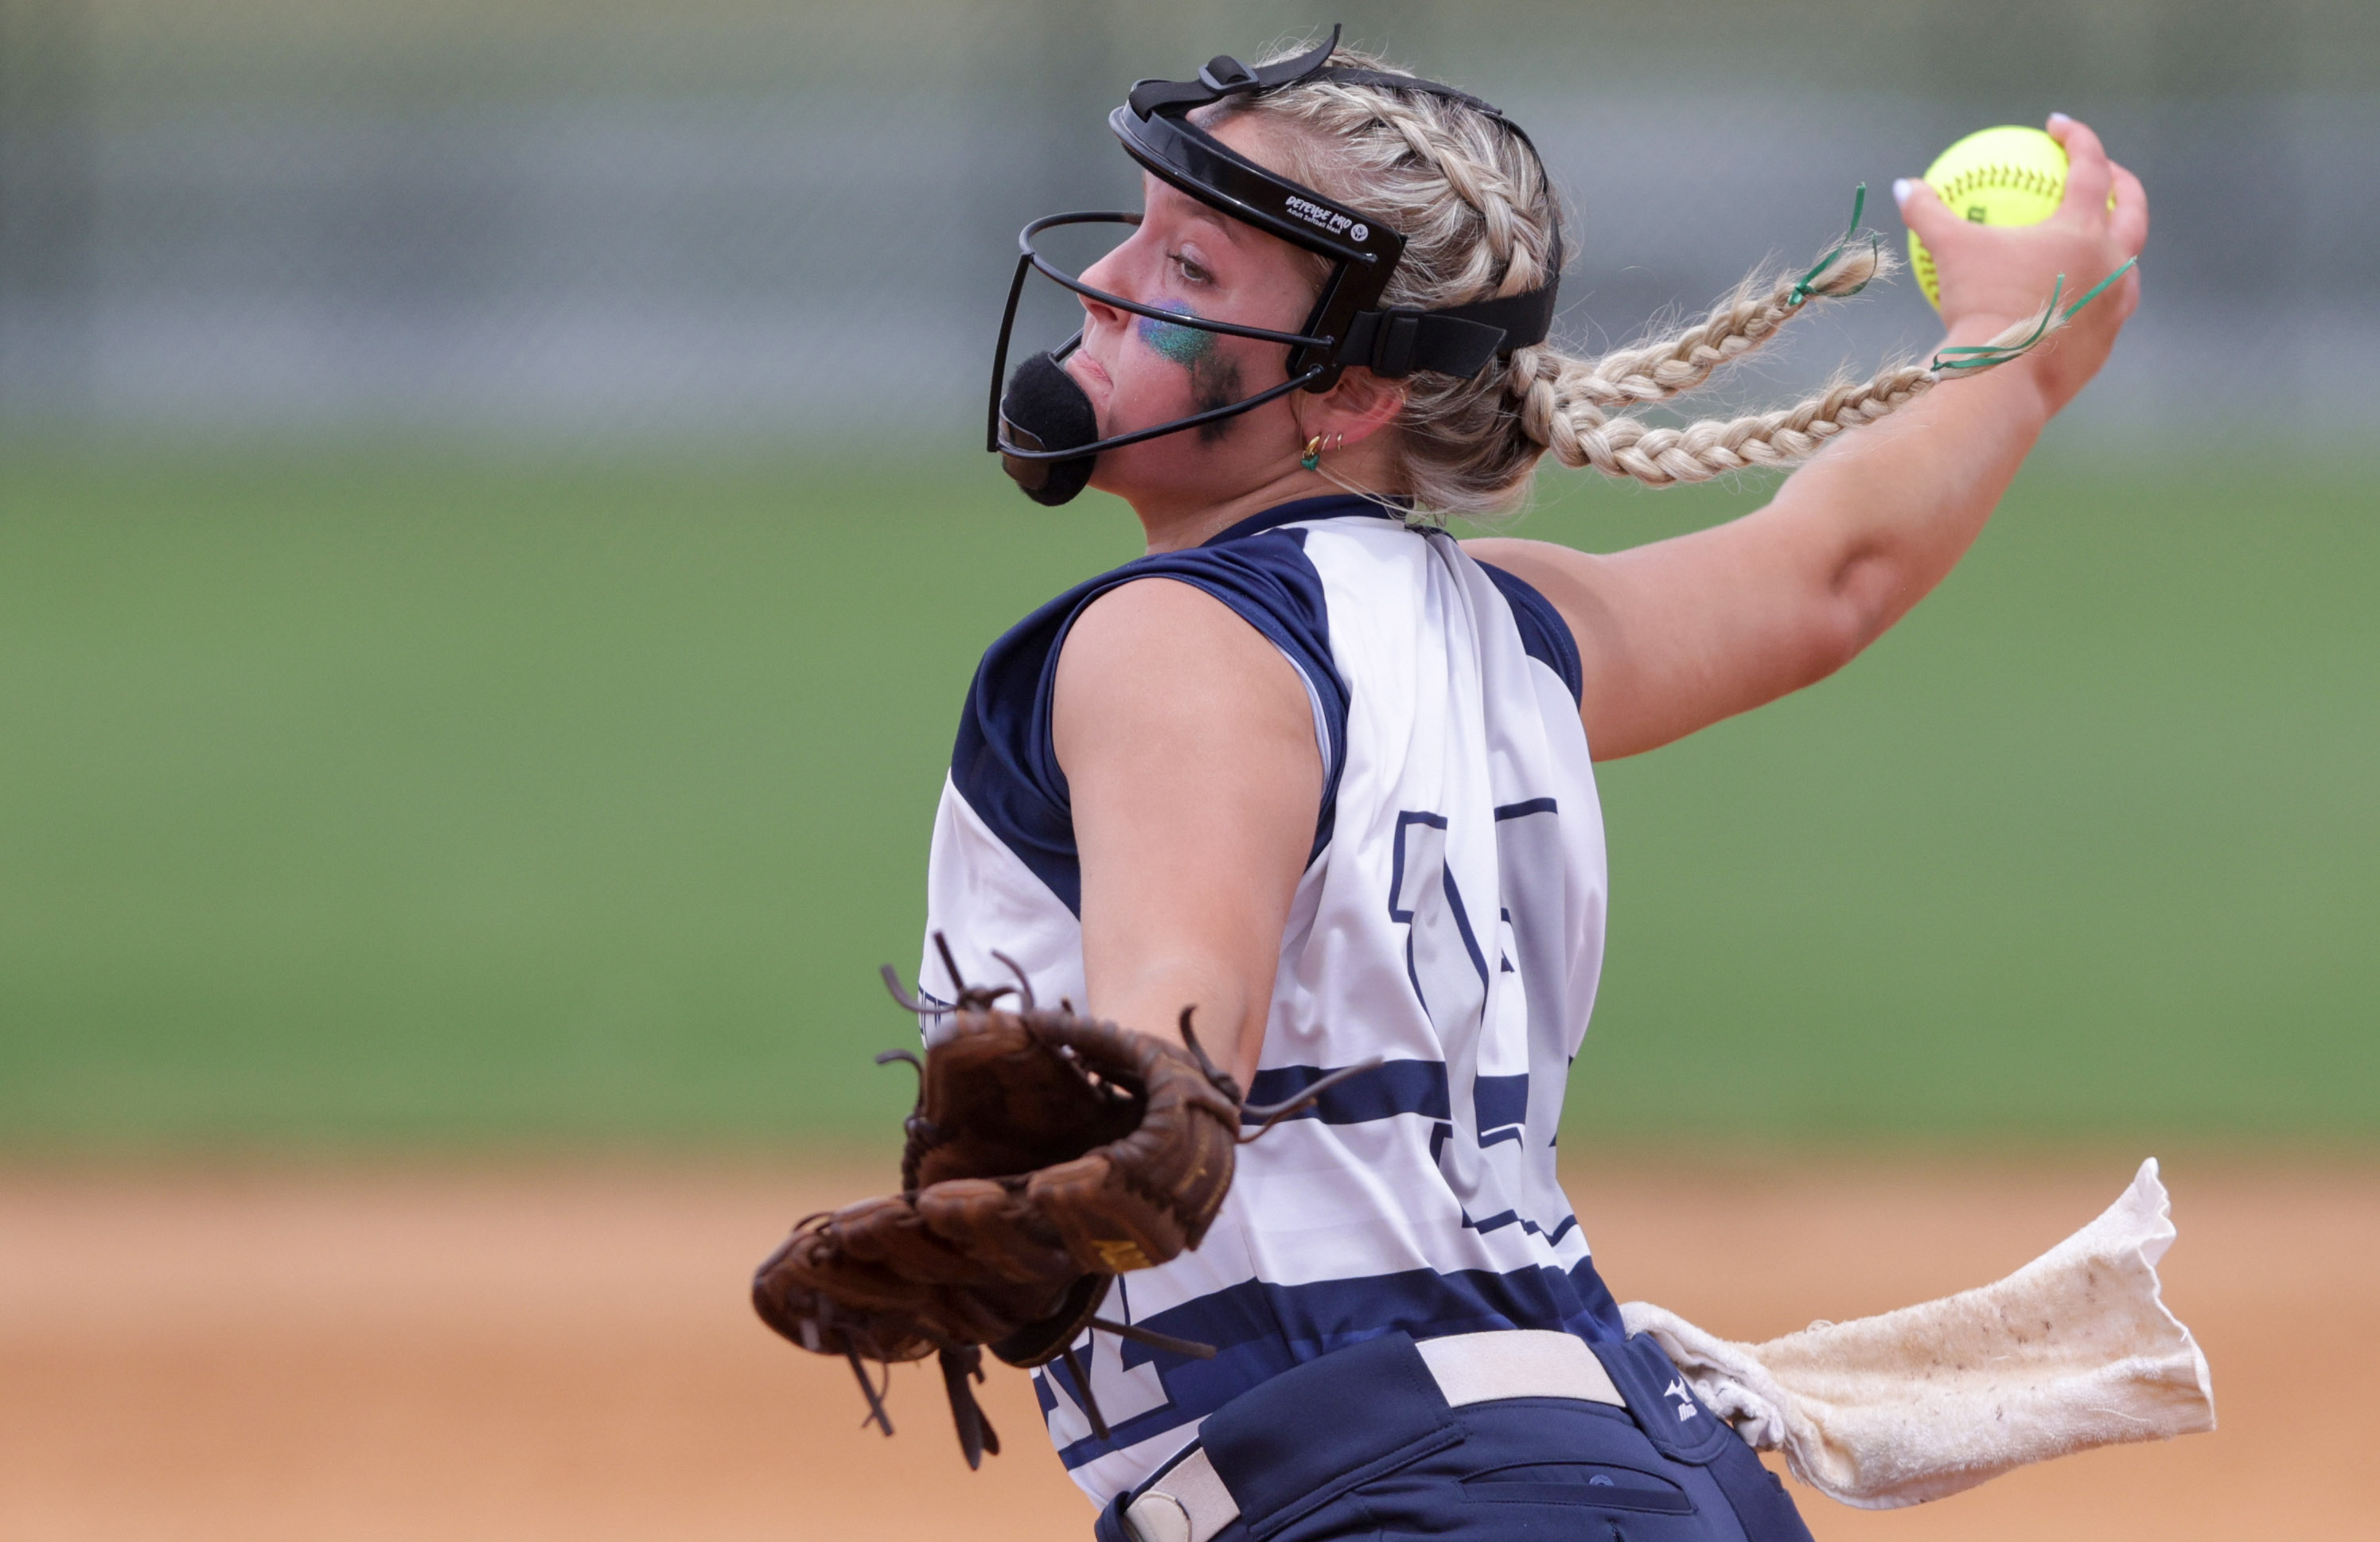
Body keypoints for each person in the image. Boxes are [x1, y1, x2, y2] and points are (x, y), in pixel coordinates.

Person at [917, 30, 2146, 1542]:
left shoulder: (1164, 638)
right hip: (1649, 1473)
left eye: (1194, 274)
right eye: (1146, 239)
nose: (1109, 287)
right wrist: (2024, 344)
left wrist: (1105, 1159)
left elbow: (1186, 1020)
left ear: (1355, 389)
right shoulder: (1509, 623)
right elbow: (1833, 570)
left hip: (1390, 1504)